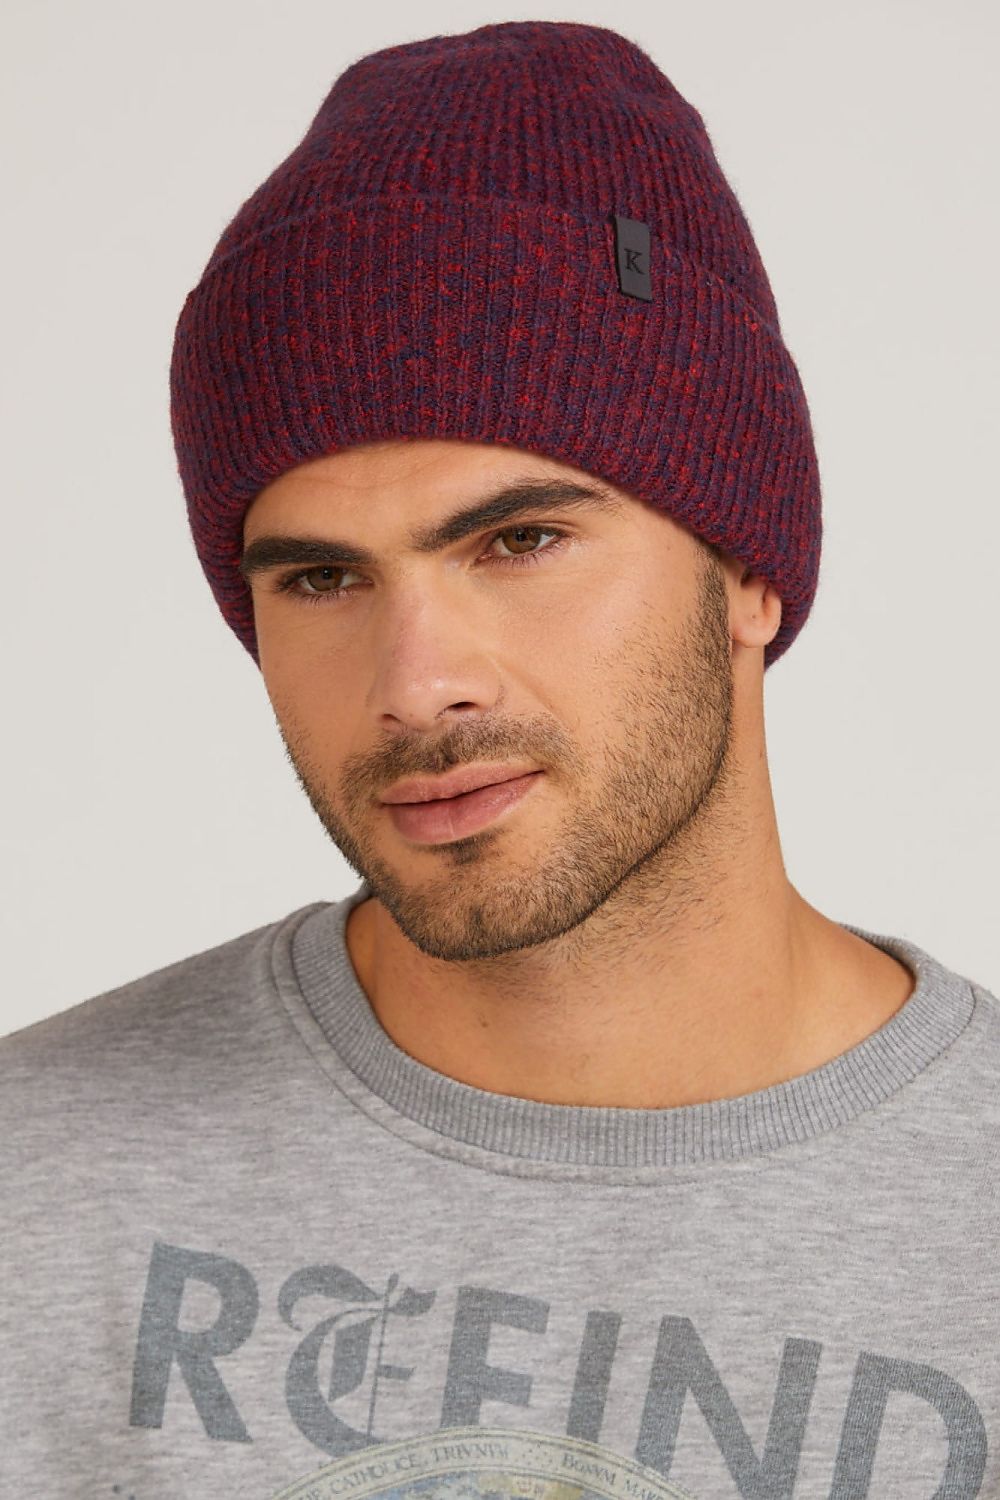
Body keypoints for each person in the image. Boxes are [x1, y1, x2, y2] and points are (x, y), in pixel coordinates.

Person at [1, 20, 996, 1500]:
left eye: (520, 541)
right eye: (320, 579)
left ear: (748, 570)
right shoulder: (36, 1191)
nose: (416, 686)